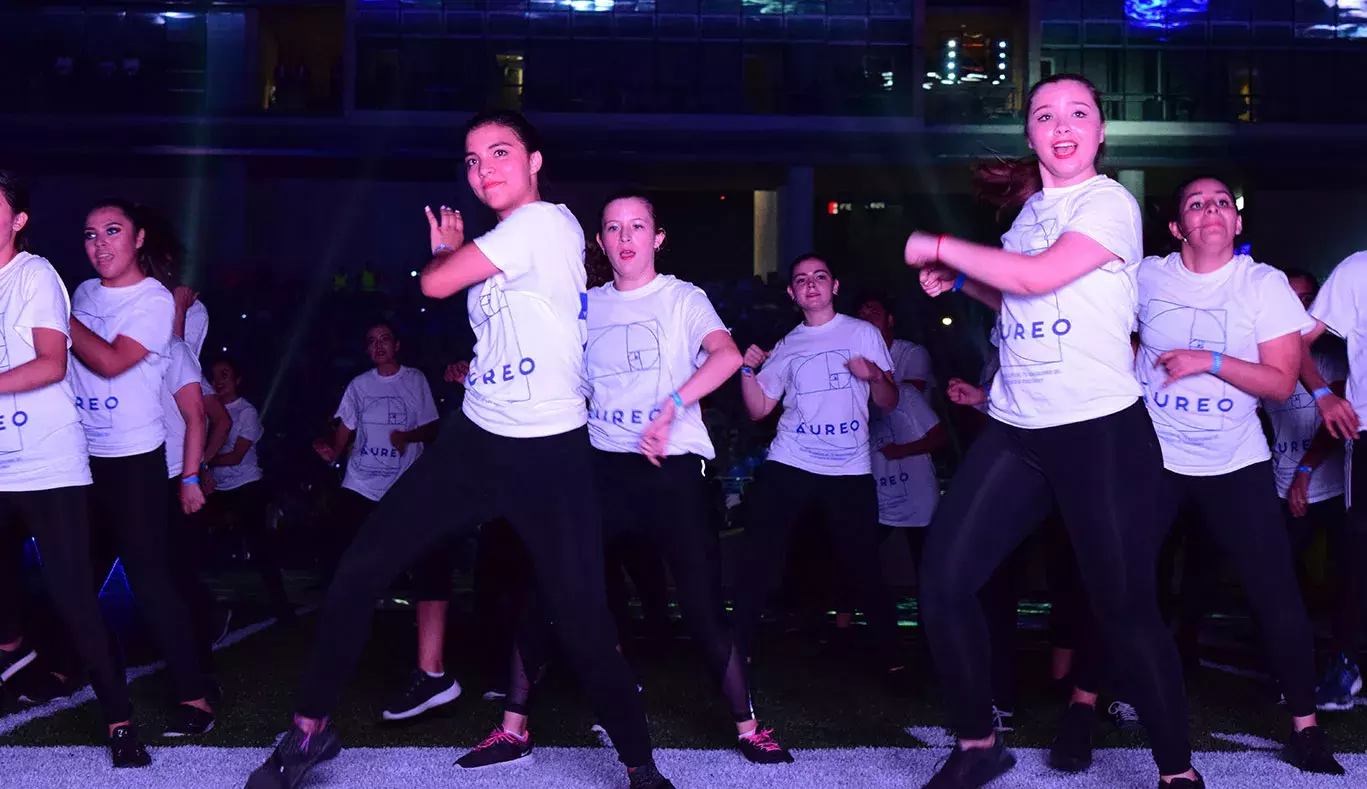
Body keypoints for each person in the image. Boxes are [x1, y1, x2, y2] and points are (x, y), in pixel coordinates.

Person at [244, 110, 673, 789]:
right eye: (471, 160)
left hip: (548, 451)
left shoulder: (543, 222)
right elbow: (494, 321)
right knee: (360, 569)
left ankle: (640, 767)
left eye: (499, 152)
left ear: (534, 161)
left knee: (585, 622)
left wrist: (446, 255)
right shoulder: (504, 244)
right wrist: (456, 264)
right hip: (475, 439)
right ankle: (307, 731)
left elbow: (433, 282)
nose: (482, 169)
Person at [903, 74, 1197, 789]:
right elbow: (1017, 293)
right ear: (1030, 134)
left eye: (1077, 113)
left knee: (1124, 607)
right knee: (942, 581)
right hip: (1017, 427)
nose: (1060, 125)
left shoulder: (1109, 203)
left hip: (1098, 428)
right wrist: (961, 279)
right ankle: (978, 743)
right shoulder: (1029, 212)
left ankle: (1176, 770)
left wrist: (939, 242)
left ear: (1098, 132)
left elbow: (1040, 278)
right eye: (1043, 115)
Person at [456, 191, 791, 769]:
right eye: (613, 228)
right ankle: (512, 728)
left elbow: (725, 356)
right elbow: (540, 355)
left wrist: (670, 407)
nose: (625, 236)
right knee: (547, 591)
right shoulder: (585, 305)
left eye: (638, 226)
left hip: (671, 471)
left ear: (658, 238)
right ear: (601, 242)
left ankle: (748, 725)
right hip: (600, 471)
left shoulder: (683, 298)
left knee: (705, 611)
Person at [1055, 175, 1342, 775]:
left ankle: (1307, 728)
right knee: (1118, 585)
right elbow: (1088, 318)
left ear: (1236, 224)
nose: (1210, 209)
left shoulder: (1261, 284)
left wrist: (1206, 361)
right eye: (1195, 203)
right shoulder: (1147, 276)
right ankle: (1080, 709)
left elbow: (1281, 381)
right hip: (1151, 458)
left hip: (1233, 461)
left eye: (1221, 203)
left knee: (1275, 592)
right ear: (1177, 226)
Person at [0, 173, 151, 767]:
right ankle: (13, 647)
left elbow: (51, 364)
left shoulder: (34, 275)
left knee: (73, 597)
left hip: (47, 462)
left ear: (18, 221)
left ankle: (119, 722)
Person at [68, 198, 214, 739]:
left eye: (112, 231)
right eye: (89, 234)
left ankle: (196, 697)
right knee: (75, 580)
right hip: (80, 460)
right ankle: (78, 677)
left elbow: (109, 360)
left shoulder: (153, 300)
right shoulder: (83, 294)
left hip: (134, 461)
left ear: (138, 239)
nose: (100, 243)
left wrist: (51, 313)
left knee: (151, 584)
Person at [731, 254, 906, 690]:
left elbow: (889, 402)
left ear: (835, 286)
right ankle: (739, 650)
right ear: (792, 293)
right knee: (759, 557)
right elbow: (759, 409)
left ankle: (895, 660)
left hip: (849, 468)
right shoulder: (787, 344)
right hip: (792, 460)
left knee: (865, 564)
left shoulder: (862, 332)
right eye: (802, 280)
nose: (811, 285)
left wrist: (874, 376)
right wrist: (746, 369)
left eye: (820, 277)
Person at [312, 321, 449, 721]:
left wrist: (408, 438)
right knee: (347, 565)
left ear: (397, 345)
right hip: (361, 486)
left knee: (423, 562)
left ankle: (426, 661)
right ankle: (343, 644)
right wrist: (328, 451)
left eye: (384, 339)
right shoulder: (358, 386)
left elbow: (433, 427)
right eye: (371, 342)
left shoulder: (415, 380)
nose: (378, 346)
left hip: (404, 488)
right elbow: (340, 442)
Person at [1262, 269, 1357, 711]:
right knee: (1283, 582)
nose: (1300, 308)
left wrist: (1305, 469)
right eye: (1292, 298)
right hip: (1287, 487)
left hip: (1330, 486)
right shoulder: (1270, 348)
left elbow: (1335, 417)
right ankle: (1293, 672)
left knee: (1344, 579)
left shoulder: (1334, 355)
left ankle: (1340, 666)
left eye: (1307, 298)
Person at [1296, 251, 1367, 713]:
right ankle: (1347, 662)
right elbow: (1296, 341)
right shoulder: (1358, 269)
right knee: (1359, 559)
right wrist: (1322, 394)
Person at [206, 358, 292, 619]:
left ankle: (282, 608)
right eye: (214, 376)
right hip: (216, 487)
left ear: (237, 380)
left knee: (260, 546)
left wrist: (201, 462)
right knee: (195, 537)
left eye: (225, 375)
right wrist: (201, 471)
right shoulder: (207, 410)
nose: (219, 381)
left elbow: (235, 456)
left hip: (246, 485)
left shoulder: (247, 412)